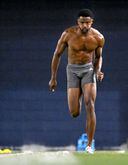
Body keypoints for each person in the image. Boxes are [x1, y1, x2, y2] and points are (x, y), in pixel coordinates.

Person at [49, 9, 105, 154]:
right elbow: (57, 54)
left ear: (91, 22)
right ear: (77, 22)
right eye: (82, 22)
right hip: (72, 70)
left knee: (90, 104)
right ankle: (79, 93)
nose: (84, 25)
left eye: (87, 22)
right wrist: (53, 78)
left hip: (88, 70)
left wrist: (98, 70)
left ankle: (89, 144)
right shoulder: (68, 34)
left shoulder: (98, 37)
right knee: (74, 112)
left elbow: (99, 57)